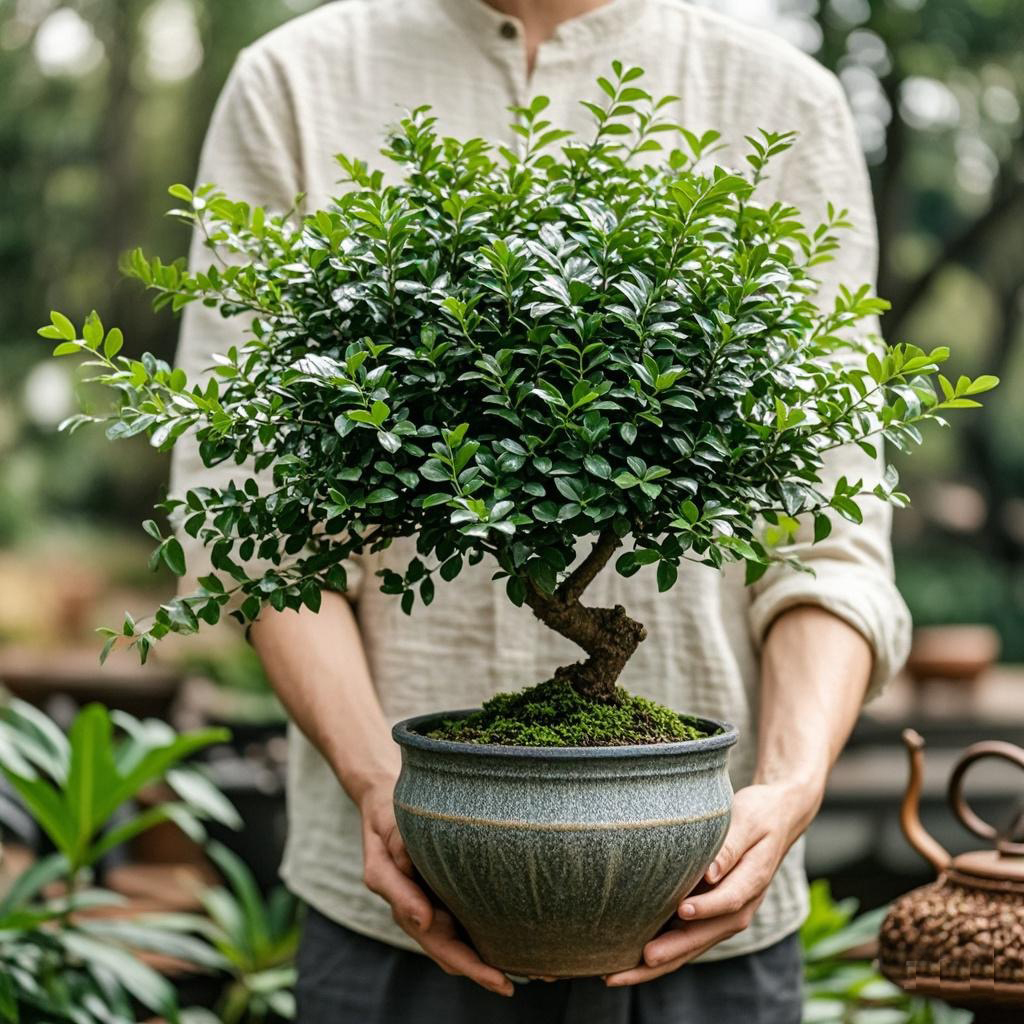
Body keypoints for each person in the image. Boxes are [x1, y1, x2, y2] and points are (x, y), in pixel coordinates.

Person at [170, 1, 911, 1020]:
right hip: (391, 915)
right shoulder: (296, 80)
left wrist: (787, 786)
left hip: (698, 893)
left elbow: (829, 535)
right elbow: (249, 516)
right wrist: (382, 784)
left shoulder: (784, 99)